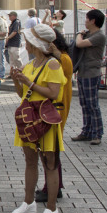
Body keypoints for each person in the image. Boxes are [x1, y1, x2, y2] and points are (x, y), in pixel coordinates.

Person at [10, 23, 65, 213]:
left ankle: (52, 208)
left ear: (36, 43)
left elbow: (53, 93)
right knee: (30, 161)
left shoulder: (52, 64)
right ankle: (29, 201)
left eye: (28, 41)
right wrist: (18, 80)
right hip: (29, 117)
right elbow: (22, 94)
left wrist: (28, 82)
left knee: (49, 164)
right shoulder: (30, 65)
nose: (25, 44)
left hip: (45, 118)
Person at [36, 29, 73, 203]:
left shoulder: (62, 58)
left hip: (55, 110)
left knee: (50, 150)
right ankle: (54, 187)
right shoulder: (50, 59)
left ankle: (51, 188)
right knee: (47, 150)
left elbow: (67, 68)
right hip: (49, 109)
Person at [72, 9, 107, 145]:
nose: (85, 21)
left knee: (92, 105)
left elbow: (79, 43)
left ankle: (97, 133)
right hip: (82, 72)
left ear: (93, 21)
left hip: (92, 74)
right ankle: (86, 132)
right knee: (84, 104)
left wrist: (79, 34)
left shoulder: (99, 36)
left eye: (87, 19)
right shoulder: (88, 34)